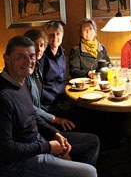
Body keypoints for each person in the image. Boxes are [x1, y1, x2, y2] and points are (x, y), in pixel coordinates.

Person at [0, 36, 100, 177]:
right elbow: (5, 149)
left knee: (92, 141)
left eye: (31, 56)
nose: (28, 62)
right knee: (90, 173)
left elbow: (32, 115)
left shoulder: (20, 82)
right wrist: (48, 147)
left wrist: (54, 133)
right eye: (21, 57)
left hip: (38, 143)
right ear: (7, 58)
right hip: (20, 162)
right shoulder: (4, 95)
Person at [24, 29, 75, 131]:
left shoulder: (36, 68)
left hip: (43, 111)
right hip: (33, 122)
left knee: (78, 112)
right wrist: (55, 119)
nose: (39, 49)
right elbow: (29, 107)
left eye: (42, 45)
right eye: (35, 45)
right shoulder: (24, 73)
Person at [39, 21, 67, 114]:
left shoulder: (62, 53)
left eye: (58, 34)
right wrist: (56, 102)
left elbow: (63, 80)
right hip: (48, 104)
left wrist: (64, 98)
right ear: (46, 37)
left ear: (62, 36)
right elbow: (39, 86)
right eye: (51, 34)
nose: (55, 37)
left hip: (61, 99)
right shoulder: (41, 55)